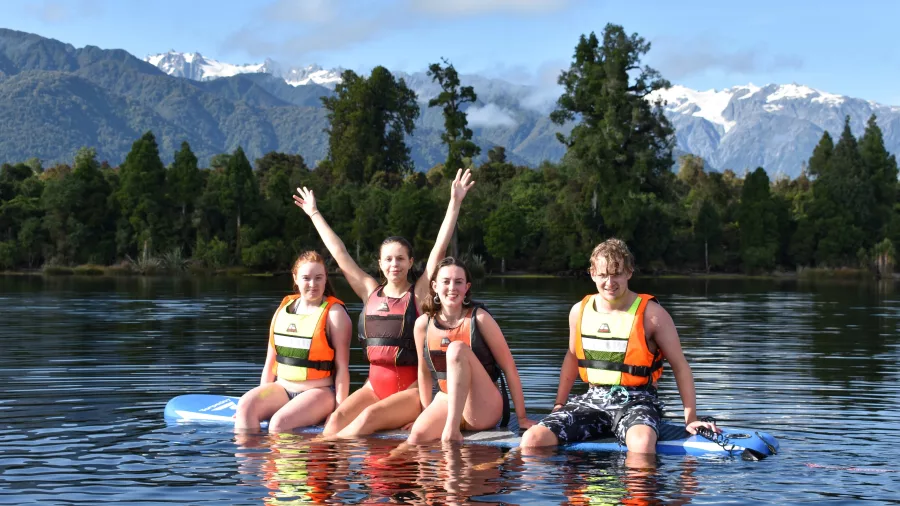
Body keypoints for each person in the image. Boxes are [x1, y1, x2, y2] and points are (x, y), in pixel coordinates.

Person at [292, 169, 475, 437]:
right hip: (372, 387)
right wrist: (314, 213)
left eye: (400, 259)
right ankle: (331, 472)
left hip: (409, 392)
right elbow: (339, 253)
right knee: (335, 421)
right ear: (380, 263)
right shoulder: (370, 291)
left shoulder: (419, 293)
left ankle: (315, 454)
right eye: (388, 259)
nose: (394, 265)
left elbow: (440, 247)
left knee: (366, 420)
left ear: (411, 262)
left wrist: (455, 202)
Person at [520, 238, 719, 453]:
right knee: (532, 440)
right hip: (592, 400)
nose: (609, 282)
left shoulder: (653, 315)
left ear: (629, 272)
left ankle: (640, 485)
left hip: (638, 401)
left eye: (616, 274)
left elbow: (680, 366)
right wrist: (559, 404)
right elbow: (572, 357)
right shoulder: (579, 311)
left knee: (641, 445)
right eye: (603, 274)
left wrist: (690, 419)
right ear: (592, 273)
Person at [406, 257, 533, 444]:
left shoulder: (480, 319)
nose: (452, 287)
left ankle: (451, 430)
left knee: (456, 349)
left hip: (482, 407)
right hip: (446, 400)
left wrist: (521, 418)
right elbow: (424, 373)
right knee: (416, 438)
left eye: (459, 282)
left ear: (467, 287)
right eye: (446, 281)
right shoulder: (422, 325)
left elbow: (509, 368)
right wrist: (425, 413)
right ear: (434, 286)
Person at [234, 251, 352, 433]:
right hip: (282, 388)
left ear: (325, 278)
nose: (313, 284)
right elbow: (270, 362)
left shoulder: (335, 315)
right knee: (245, 407)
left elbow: (343, 368)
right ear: (295, 278)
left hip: (319, 393)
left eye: (318, 278)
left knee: (278, 424)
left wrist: (339, 411)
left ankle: (289, 459)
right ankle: (254, 461)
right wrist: (258, 401)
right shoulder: (283, 310)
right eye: (306, 278)